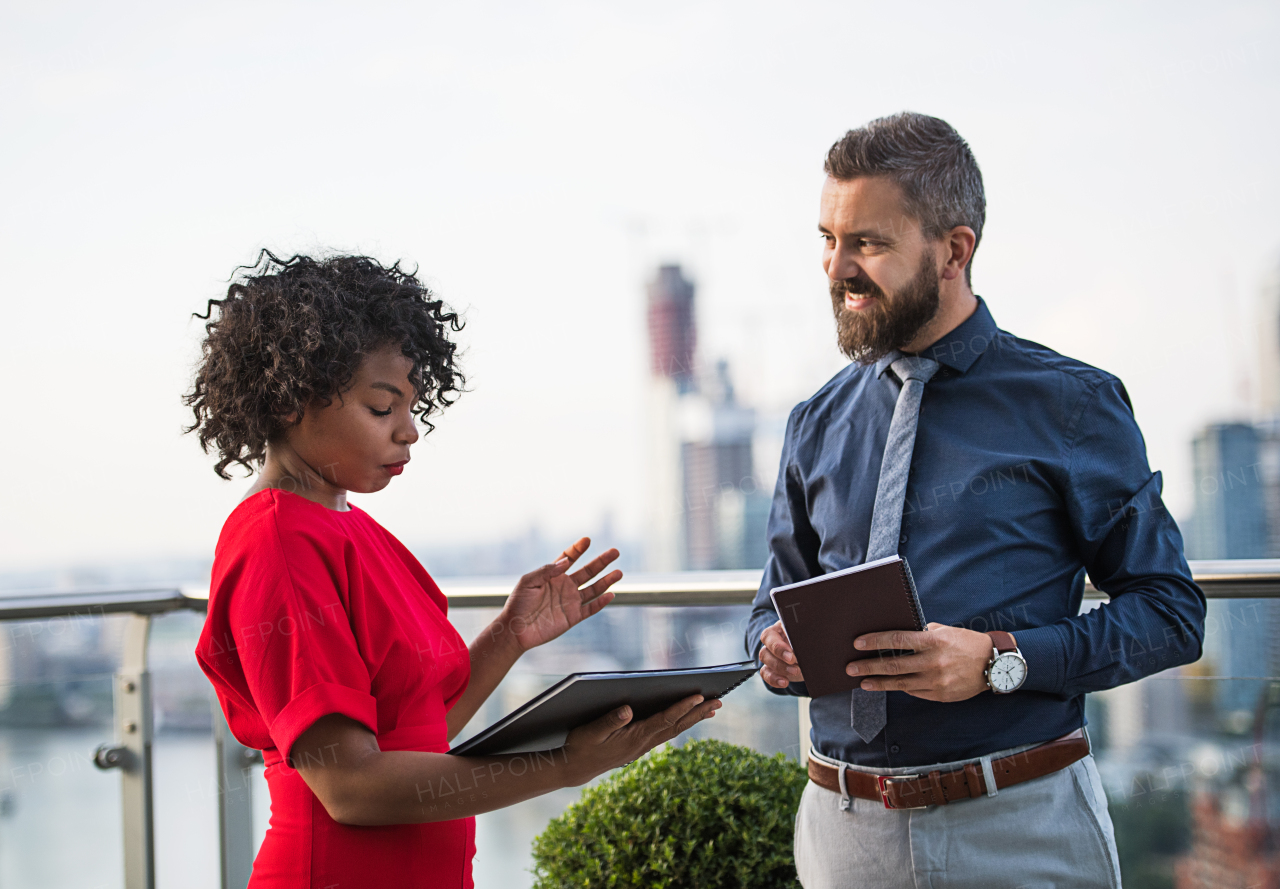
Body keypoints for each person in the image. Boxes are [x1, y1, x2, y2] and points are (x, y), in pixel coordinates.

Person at [746, 112, 1206, 888]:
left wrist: (1002, 660)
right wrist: (774, 647)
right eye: (827, 238)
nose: (836, 267)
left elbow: (1171, 613)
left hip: (1021, 831)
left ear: (954, 250)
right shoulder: (814, 422)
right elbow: (771, 602)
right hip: (841, 837)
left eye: (868, 242)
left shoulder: (1072, 403)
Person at [188, 252, 720, 889]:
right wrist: (563, 766)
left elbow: (417, 736)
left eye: (412, 407)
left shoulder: (355, 532)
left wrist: (509, 638)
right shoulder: (278, 542)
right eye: (383, 408)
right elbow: (351, 787)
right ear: (293, 399)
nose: (409, 432)